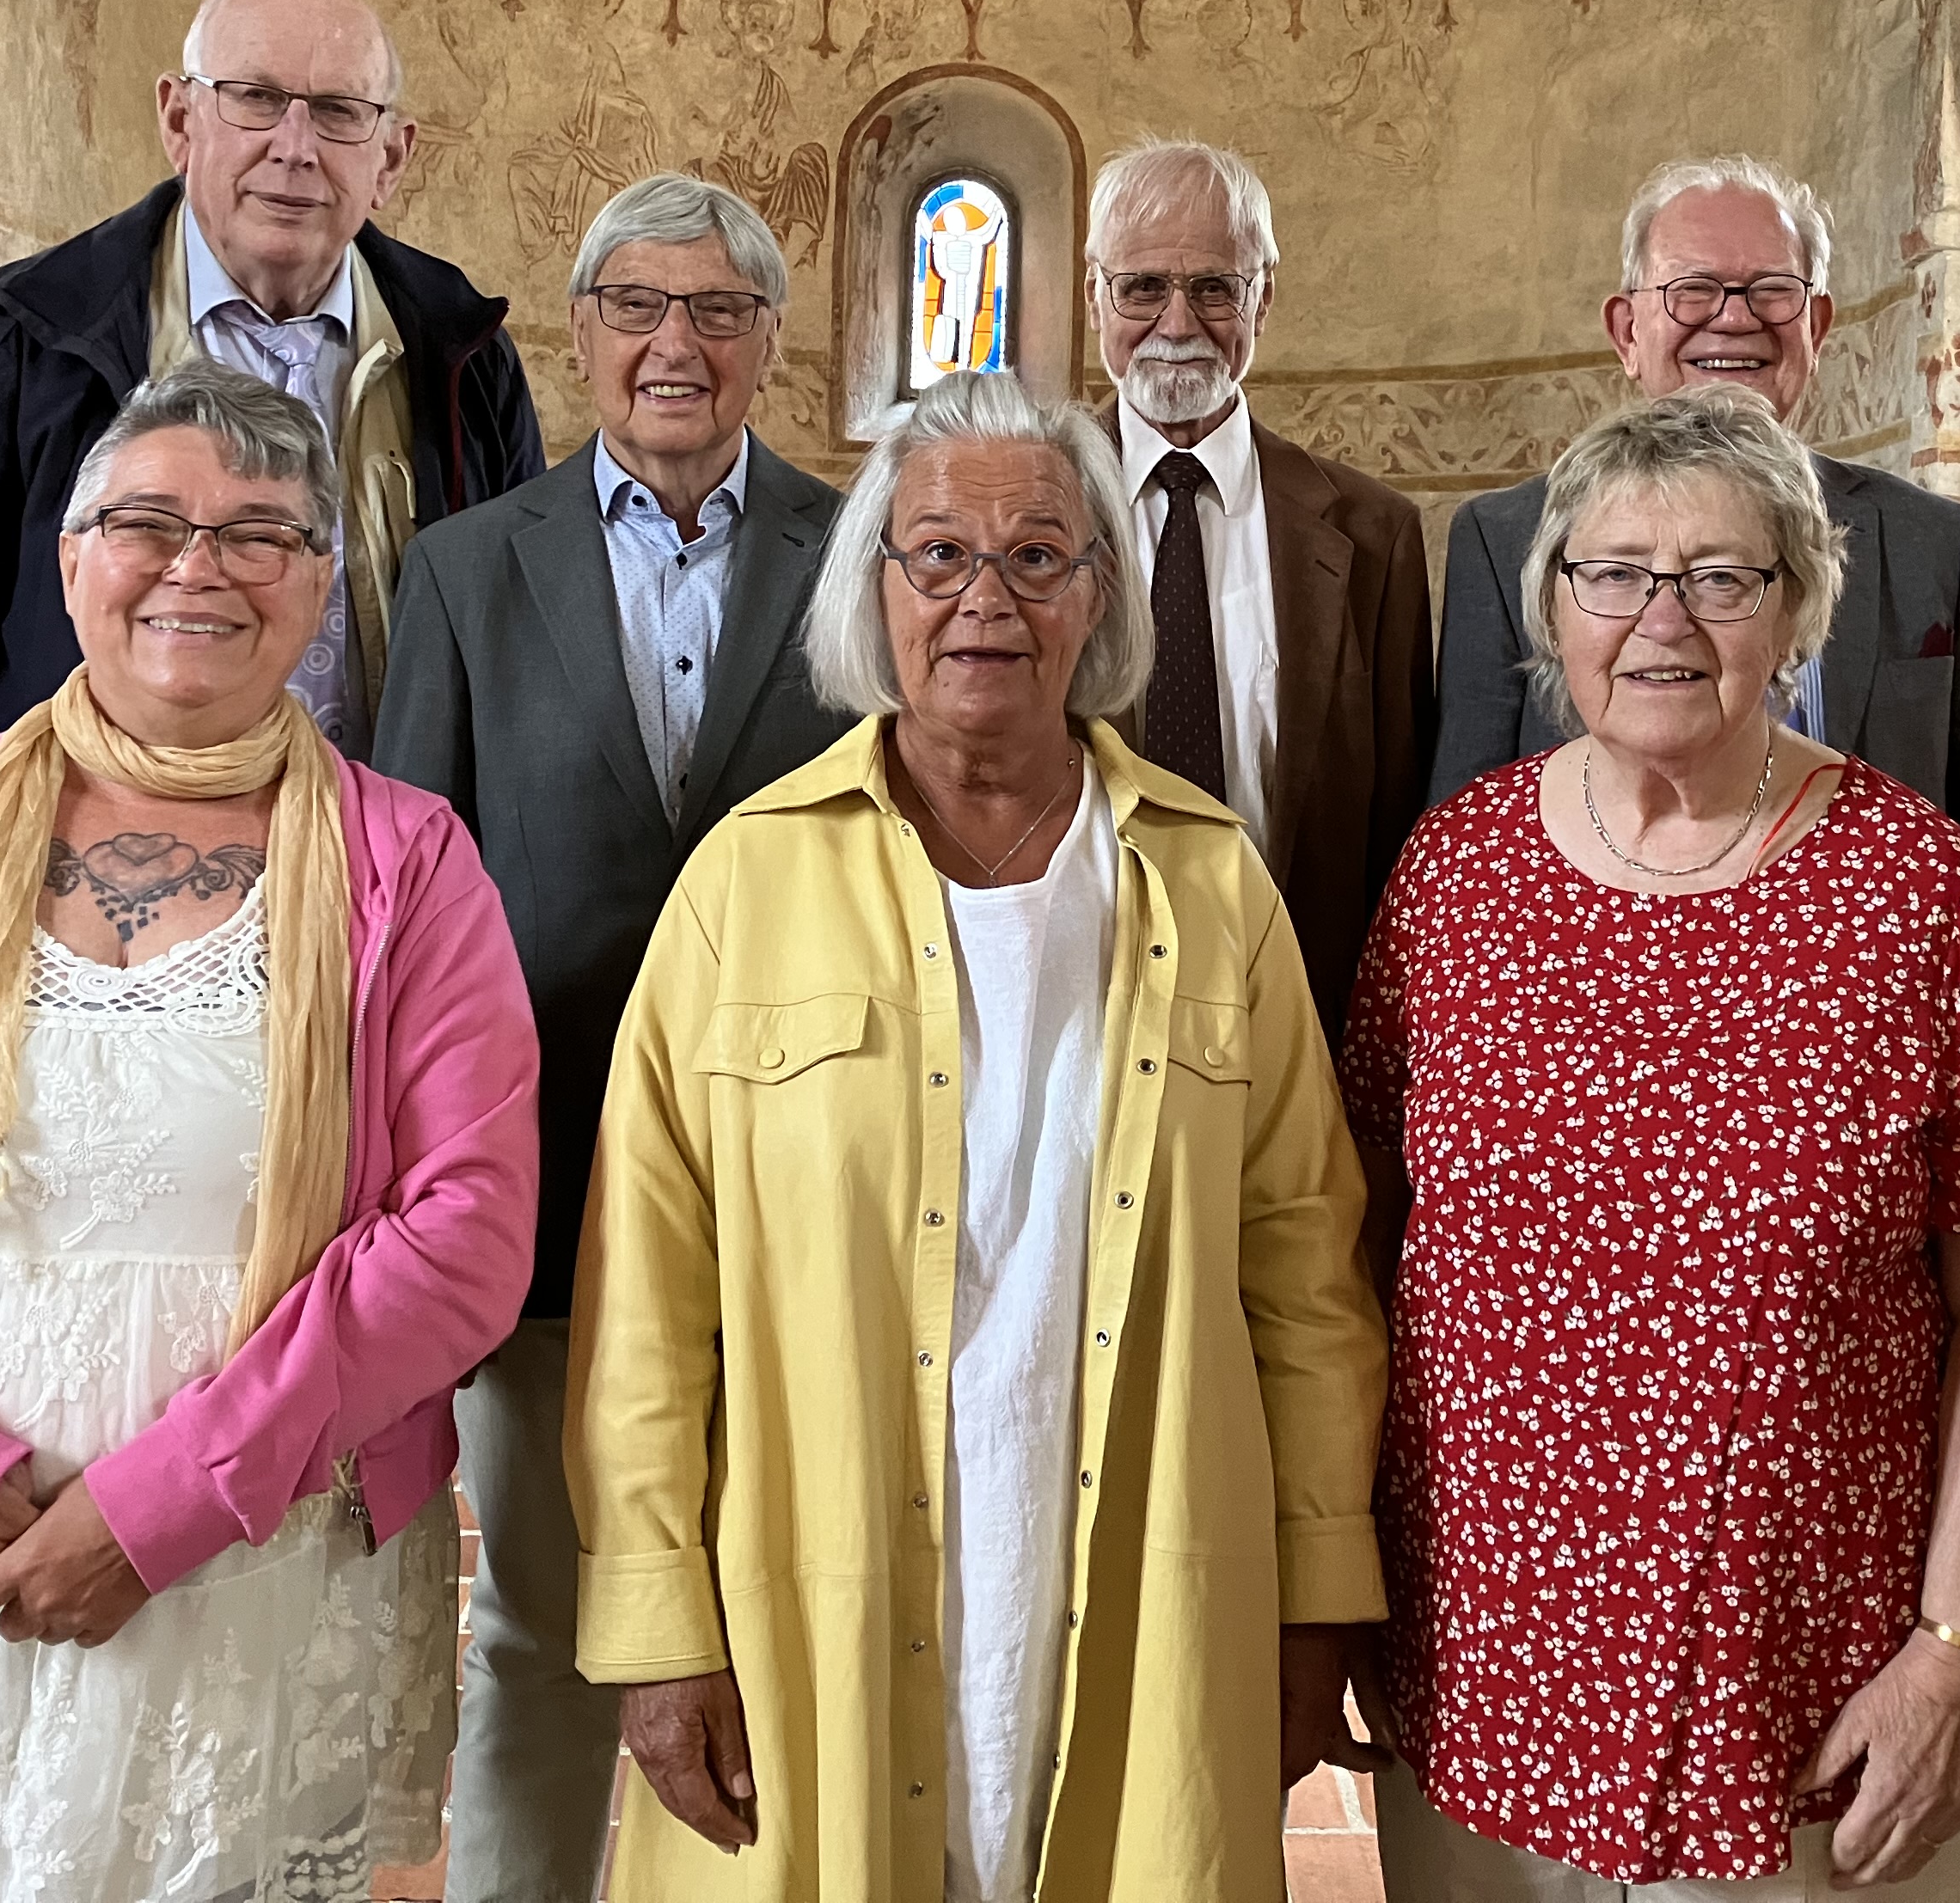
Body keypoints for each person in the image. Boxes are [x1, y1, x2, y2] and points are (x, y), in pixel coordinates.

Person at [0, 362, 542, 1902]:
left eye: (259, 533)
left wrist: (157, 1507)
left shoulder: (409, 860)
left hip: (232, 1583)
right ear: (72, 561)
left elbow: (464, 1232)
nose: (197, 566)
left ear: (319, 584)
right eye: (146, 521)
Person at [567, 370, 1389, 1902]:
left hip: (1145, 1586)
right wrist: (655, 1620)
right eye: (935, 552)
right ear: (873, 589)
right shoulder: (741, 889)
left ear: (1100, 597)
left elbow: (1305, 1274)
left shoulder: (1212, 889)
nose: (982, 598)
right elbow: (645, 1304)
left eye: (1037, 555)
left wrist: (1317, 1589)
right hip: (813, 1601)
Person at [1347, 390, 1960, 1899]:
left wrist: (1955, 1651)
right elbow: (1361, 1239)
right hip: (1488, 1669)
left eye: (1721, 574)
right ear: (1549, 603)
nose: (1660, 616)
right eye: (1612, 571)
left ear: (1797, 607)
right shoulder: (1454, 875)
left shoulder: (1919, 886)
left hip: (1814, 1687)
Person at [377, 175, 847, 1903]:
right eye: (639, 308)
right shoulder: (465, 569)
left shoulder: (865, 550)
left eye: (718, 312)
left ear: (767, 343)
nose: (677, 346)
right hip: (544, 1188)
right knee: (544, 1631)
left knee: (801, 1618)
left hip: (803, 1190)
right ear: (579, 333)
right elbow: (414, 893)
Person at [0, 0, 546, 797]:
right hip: (74, 874)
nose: (295, 147)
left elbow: (510, 662)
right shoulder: (17, 339)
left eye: (340, 113)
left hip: (380, 881)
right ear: (179, 120)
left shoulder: (466, 354)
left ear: (390, 157)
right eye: (255, 98)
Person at [1429, 157, 1960, 819]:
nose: (1736, 320)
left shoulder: (1939, 541)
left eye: (1772, 289)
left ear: (1816, 328)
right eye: (1693, 289)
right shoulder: (1503, 538)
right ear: (1627, 332)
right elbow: (1468, 815)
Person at [1087, 136, 1433, 1039]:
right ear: (1096, 295)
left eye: (1213, 287)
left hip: (1296, 1022)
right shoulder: (1023, 512)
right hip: (1074, 1013)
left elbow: (1399, 827)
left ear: (1263, 297)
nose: (1176, 323)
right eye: (1142, 288)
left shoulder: (1373, 535)